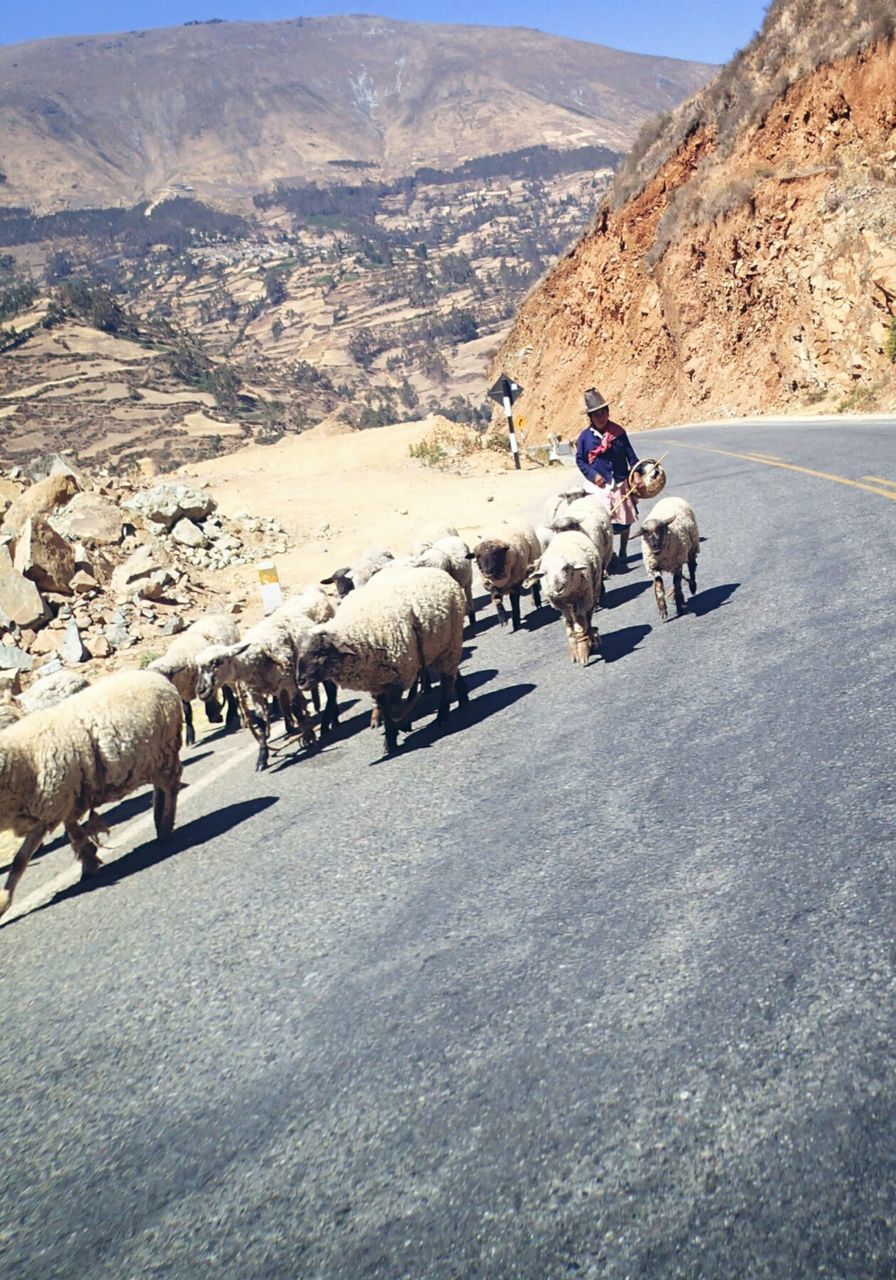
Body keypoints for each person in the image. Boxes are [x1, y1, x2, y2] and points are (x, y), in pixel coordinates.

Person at [574, 386, 641, 571]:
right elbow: (580, 461)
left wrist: (635, 474)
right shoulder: (584, 438)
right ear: (591, 418)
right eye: (596, 414)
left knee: (624, 519)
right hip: (598, 485)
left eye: (603, 413)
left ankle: (623, 550)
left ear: (608, 412)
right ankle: (608, 555)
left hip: (620, 481)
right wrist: (593, 475)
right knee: (602, 521)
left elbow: (631, 456)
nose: (600, 417)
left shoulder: (618, 432)